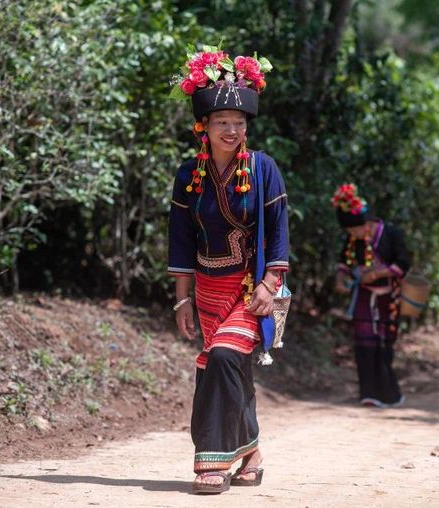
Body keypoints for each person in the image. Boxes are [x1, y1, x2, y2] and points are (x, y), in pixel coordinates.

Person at [167, 48, 288, 494]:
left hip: (248, 289)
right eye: (222, 122)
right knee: (228, 368)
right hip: (206, 290)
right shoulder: (187, 174)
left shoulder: (263, 169)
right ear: (204, 126)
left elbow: (278, 231)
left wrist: (269, 283)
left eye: (239, 122)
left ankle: (211, 463)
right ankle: (252, 453)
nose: (232, 130)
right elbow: (180, 240)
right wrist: (182, 298)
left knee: (220, 358)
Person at [332, 184, 411, 408]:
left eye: (356, 230)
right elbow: (344, 263)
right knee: (364, 342)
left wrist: (378, 273)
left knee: (385, 343)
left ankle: (389, 394)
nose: (353, 235)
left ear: (367, 223)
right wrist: (341, 281)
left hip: (389, 298)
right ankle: (368, 393)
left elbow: (404, 262)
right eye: (350, 233)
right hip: (365, 298)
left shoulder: (392, 233)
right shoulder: (354, 239)